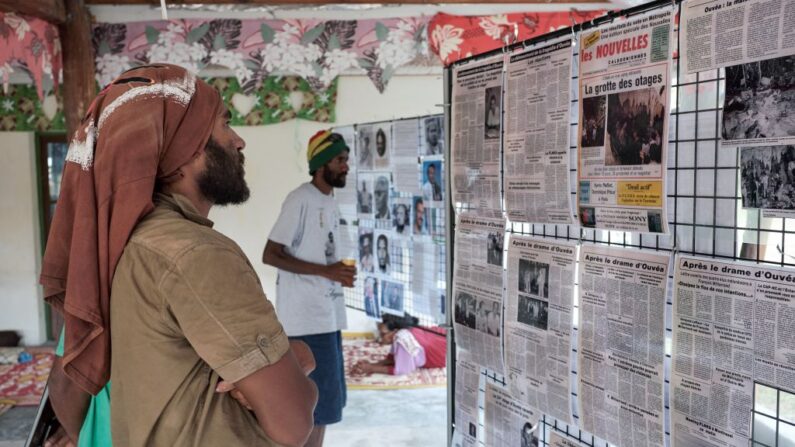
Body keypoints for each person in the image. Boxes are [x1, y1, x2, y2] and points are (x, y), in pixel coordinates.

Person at [41, 64, 318, 447]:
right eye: (224, 124)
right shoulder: (194, 253)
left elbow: (64, 384)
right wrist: (299, 364)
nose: (238, 141)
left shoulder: (115, 248)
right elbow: (294, 423)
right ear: (181, 148)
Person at [263, 129, 356, 447]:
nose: (346, 166)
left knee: (327, 408)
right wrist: (327, 271)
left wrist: (335, 273)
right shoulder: (300, 198)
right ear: (321, 164)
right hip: (305, 323)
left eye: (346, 159)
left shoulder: (329, 200)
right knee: (312, 410)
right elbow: (270, 253)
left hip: (327, 318)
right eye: (340, 159)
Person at [353, 314, 446, 376]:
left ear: (395, 331)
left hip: (446, 354)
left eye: (383, 334)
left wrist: (371, 368)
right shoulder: (403, 331)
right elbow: (393, 359)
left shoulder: (402, 339)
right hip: (442, 337)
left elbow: (401, 370)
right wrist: (373, 364)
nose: (379, 338)